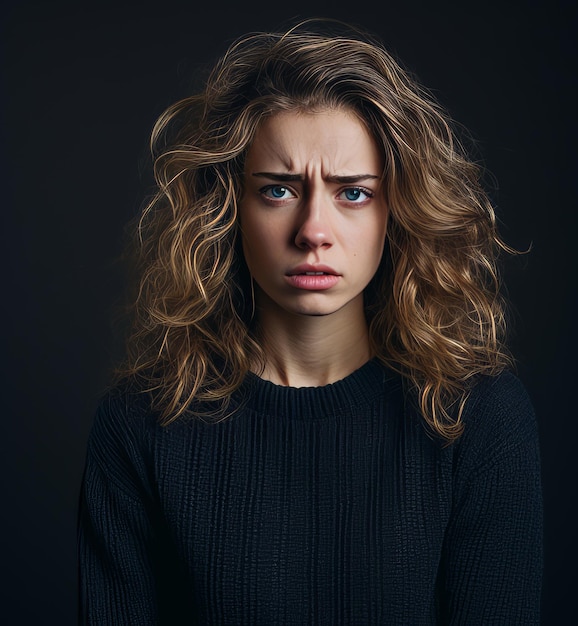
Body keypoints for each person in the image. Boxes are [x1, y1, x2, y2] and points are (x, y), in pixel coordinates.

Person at [78, 18, 543, 625]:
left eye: (353, 192)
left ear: (396, 209)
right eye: (278, 190)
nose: (313, 232)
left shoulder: (478, 419)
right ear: (229, 206)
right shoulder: (140, 426)